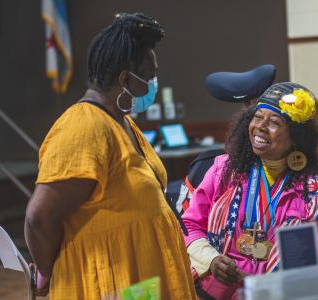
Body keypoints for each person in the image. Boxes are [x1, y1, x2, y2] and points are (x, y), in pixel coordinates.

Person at [24, 12, 197, 300]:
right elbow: (38, 219)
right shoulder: (83, 126)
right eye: (150, 76)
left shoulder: (121, 120)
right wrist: (49, 273)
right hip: (106, 284)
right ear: (126, 79)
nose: (153, 83)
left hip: (138, 284)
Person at [182, 82, 318, 299]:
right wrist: (211, 259)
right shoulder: (224, 169)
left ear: (297, 136)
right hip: (217, 291)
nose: (260, 126)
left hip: (278, 294)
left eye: (274, 122)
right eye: (257, 117)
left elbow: (314, 248)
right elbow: (188, 225)